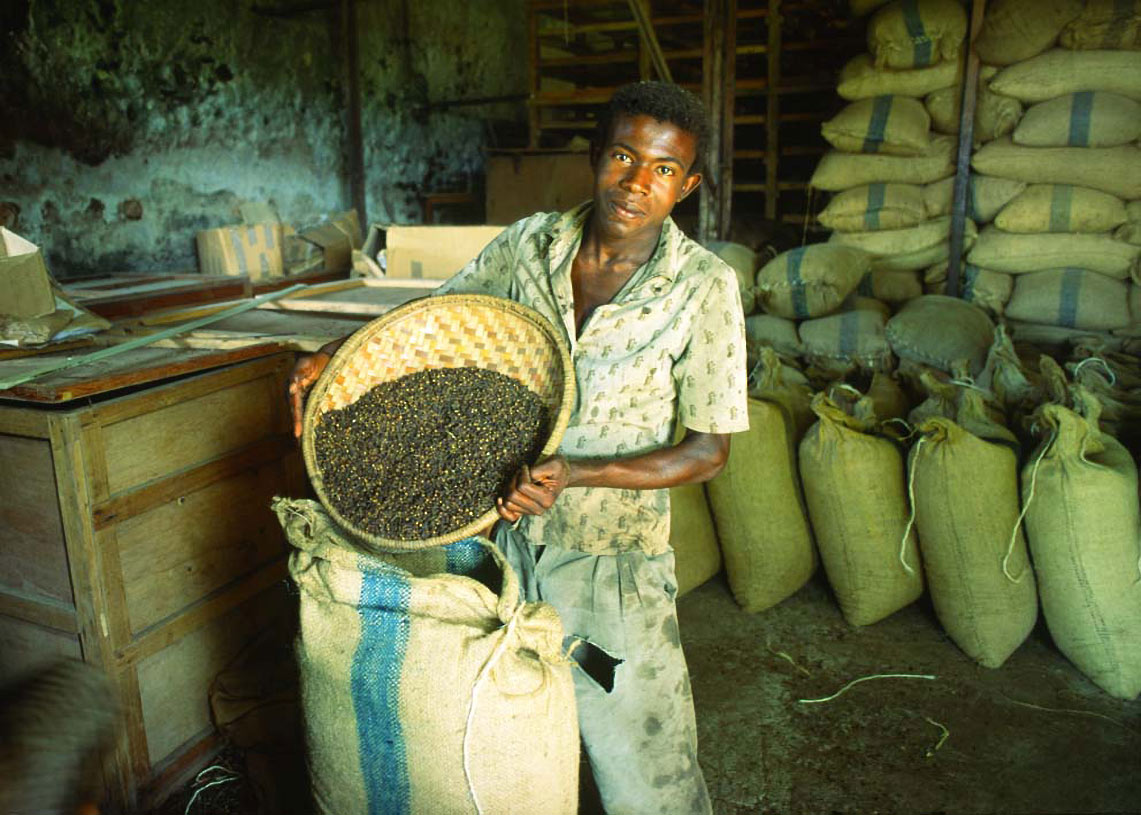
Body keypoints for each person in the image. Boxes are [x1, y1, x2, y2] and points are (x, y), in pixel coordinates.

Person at [288, 81, 748, 815]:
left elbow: (706, 451)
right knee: (511, 728)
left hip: (608, 560)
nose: (636, 183)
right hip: (495, 535)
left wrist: (577, 473)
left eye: (662, 169)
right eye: (623, 156)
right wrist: (336, 352)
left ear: (687, 185)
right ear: (596, 156)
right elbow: (439, 319)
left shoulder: (701, 286)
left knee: (639, 755)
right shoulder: (531, 242)